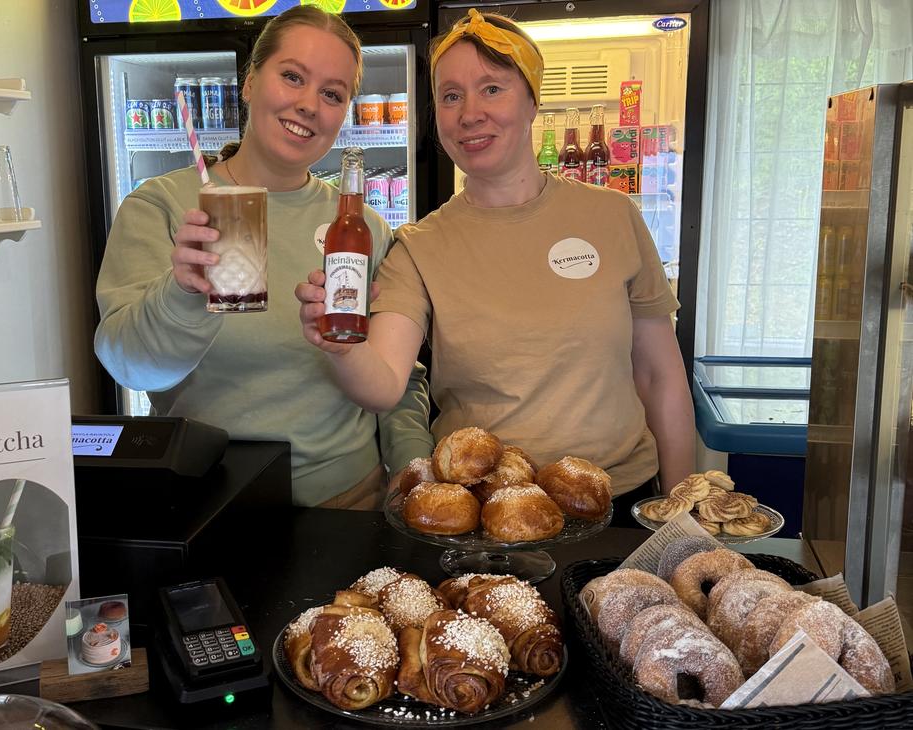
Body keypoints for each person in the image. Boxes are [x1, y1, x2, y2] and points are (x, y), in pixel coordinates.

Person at [296, 9, 695, 525]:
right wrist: (339, 346)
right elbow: (383, 385)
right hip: (480, 516)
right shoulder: (419, 246)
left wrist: (684, 508)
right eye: (451, 95)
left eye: (492, 89)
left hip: (618, 500)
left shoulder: (613, 215)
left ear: (532, 100)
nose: (469, 114)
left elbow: (660, 374)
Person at [94, 6, 433, 509]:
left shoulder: (362, 228)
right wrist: (181, 293)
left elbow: (397, 377)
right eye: (292, 76)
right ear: (250, 82)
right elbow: (131, 368)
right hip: (206, 502)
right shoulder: (162, 206)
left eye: (332, 94)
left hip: (344, 502)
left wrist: (413, 473)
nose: (308, 104)